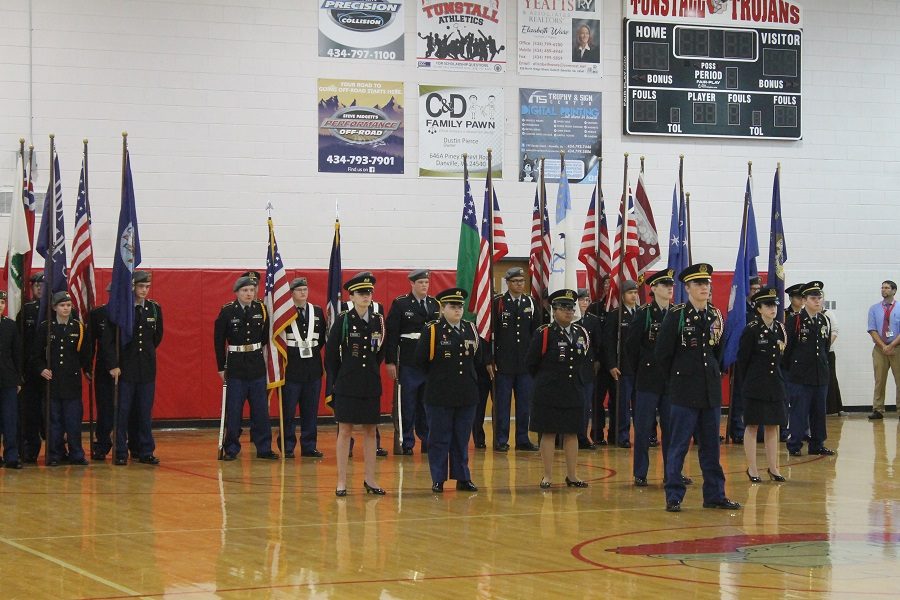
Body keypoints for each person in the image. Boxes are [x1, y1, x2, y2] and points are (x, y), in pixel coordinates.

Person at [656, 263, 740, 512]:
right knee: (679, 445)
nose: (704, 287)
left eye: (707, 283)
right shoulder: (677, 315)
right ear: (688, 287)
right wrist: (676, 382)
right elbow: (663, 354)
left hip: (709, 391)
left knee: (711, 447)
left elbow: (717, 351)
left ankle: (715, 495)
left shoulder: (715, 315)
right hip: (684, 391)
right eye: (698, 284)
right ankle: (673, 495)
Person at [415, 288, 483, 493]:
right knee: (439, 438)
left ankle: (463, 477)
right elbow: (420, 360)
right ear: (442, 309)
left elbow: (477, 359)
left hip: (466, 392)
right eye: (452, 306)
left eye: (460, 306)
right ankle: (438, 478)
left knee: (461, 437)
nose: (457, 310)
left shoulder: (470, 328)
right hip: (440, 392)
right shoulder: (433, 330)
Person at [326, 273, 386, 496]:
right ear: (351, 296)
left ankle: (370, 479)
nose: (366, 296)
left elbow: (380, 352)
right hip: (347, 383)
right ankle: (341, 481)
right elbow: (331, 356)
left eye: (369, 292)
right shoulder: (343, 320)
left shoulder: (378, 319)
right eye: (361, 293)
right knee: (345, 430)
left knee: (371, 431)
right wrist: (339, 379)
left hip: (370, 383)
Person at [527, 289, 592, 488]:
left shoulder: (581, 333)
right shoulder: (544, 333)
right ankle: (547, 475)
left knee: (572, 433)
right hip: (549, 391)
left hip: (573, 390)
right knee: (548, 433)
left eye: (571, 308)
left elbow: (585, 361)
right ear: (553, 310)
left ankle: (572, 475)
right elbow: (531, 363)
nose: (569, 312)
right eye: (564, 308)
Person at [214, 274, 278, 461]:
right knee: (234, 410)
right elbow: (218, 341)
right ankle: (231, 448)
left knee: (261, 411)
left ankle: (264, 447)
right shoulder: (227, 311)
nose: (249, 294)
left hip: (256, 365)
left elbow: (265, 336)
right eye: (244, 290)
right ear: (237, 292)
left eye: (251, 290)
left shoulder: (261, 309)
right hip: (236, 366)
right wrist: (220, 367)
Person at [103, 271, 164, 466]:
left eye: (147, 287)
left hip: (146, 368)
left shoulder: (154, 309)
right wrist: (113, 364)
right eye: (140, 287)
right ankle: (120, 450)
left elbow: (156, 337)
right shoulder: (121, 309)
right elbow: (108, 341)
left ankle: (145, 450)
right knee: (123, 412)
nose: (144, 290)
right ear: (132, 287)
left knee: (144, 412)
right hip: (125, 368)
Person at [625, 269, 674, 487]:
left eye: (671, 285)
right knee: (644, 428)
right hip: (647, 380)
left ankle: (671, 472)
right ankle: (640, 472)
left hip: (671, 380)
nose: (669, 288)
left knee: (671, 430)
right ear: (653, 289)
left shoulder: (677, 312)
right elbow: (631, 346)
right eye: (664, 285)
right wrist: (640, 371)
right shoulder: (644, 313)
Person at [385, 269, 439, 455]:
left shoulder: (434, 304)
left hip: (429, 364)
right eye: (421, 282)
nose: (424, 285)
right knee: (407, 404)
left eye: (426, 282)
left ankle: (427, 440)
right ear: (412, 284)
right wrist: (391, 361)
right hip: (408, 362)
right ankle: (406, 442)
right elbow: (391, 334)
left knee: (427, 404)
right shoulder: (401, 304)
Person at [34, 291, 92, 467]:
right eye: (62, 305)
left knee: (73, 421)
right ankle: (54, 455)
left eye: (68, 305)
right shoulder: (46, 327)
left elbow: (85, 354)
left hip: (71, 382)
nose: (66, 308)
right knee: (54, 421)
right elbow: (36, 355)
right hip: (52, 382)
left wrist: (84, 369)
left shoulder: (79, 327)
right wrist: (41, 369)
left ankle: (76, 454)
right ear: (54, 307)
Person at [737, 288, 788, 483]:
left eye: (774, 304)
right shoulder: (752, 329)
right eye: (768, 305)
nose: (772, 308)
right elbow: (743, 360)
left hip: (775, 384)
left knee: (772, 426)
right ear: (759, 308)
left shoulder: (780, 328)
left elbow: (782, 358)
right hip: (755, 385)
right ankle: (752, 468)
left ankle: (774, 468)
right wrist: (748, 384)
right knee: (752, 426)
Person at [492, 267, 541, 452]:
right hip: (504, 364)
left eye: (522, 281)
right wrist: (491, 360)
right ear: (508, 283)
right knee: (503, 405)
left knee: (524, 405)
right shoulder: (498, 303)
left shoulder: (530, 302)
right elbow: (491, 333)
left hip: (525, 365)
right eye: (515, 281)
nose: (519, 284)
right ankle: (501, 439)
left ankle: (522, 439)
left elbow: (536, 333)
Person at [784, 281, 835, 457]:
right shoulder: (795, 320)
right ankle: (795, 444)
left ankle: (817, 443)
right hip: (800, 375)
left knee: (819, 411)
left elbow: (825, 347)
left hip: (820, 374)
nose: (817, 301)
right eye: (813, 298)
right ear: (804, 299)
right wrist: (790, 371)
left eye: (819, 298)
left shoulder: (824, 320)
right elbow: (787, 349)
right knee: (799, 411)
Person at [279, 277, 326, 458]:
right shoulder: (285, 312)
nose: (303, 293)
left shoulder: (317, 311)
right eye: (299, 290)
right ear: (291, 293)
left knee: (310, 410)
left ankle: (309, 445)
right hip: (291, 368)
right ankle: (287, 445)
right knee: (289, 410)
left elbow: (321, 339)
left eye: (305, 289)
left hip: (312, 368)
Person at [604, 279, 639, 448]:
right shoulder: (615, 315)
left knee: (640, 405)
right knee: (622, 405)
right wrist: (611, 364)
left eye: (635, 292)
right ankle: (621, 435)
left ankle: (642, 434)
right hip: (622, 367)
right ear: (623, 295)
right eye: (630, 293)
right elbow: (609, 342)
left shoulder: (641, 313)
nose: (633, 296)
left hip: (640, 368)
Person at [728, 276, 763, 444]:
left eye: (758, 288)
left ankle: (760, 430)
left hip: (758, 362)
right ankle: (738, 429)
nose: (755, 291)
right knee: (740, 395)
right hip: (742, 359)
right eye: (753, 289)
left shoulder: (760, 309)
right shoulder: (740, 309)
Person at [18, 272, 44, 463]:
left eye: (43, 285)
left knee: (53, 413)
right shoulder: (26, 311)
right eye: (36, 285)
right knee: (31, 413)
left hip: (52, 371)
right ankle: (30, 449)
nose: (39, 288)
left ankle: (57, 448)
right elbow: (18, 345)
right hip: (30, 372)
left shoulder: (57, 308)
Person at [866, 280, 900, 420]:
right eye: (882, 287)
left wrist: (891, 346)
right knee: (879, 380)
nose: (883, 290)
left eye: (887, 288)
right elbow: (872, 330)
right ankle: (878, 409)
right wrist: (883, 346)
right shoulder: (874, 309)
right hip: (880, 349)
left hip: (897, 348)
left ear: (894, 290)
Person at [575, 289, 602, 450]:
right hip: (571, 367)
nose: (584, 303)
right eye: (581, 300)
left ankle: (582, 437)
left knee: (585, 405)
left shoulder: (593, 320)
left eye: (587, 300)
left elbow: (598, 344)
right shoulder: (572, 320)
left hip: (587, 368)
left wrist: (597, 361)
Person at [0, 291, 23, 469]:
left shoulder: (10, 326)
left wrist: (18, 379)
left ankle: (11, 456)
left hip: (7, 379)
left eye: (2, 302)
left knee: (10, 419)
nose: (0, 305)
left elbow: (17, 354)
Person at [823, 298, 844, 415]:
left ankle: (834, 407)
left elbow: (835, 331)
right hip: (814, 353)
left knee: (831, 378)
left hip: (828, 352)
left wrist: (825, 346)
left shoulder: (828, 314)